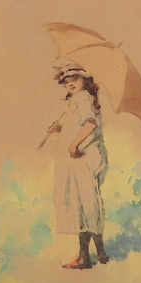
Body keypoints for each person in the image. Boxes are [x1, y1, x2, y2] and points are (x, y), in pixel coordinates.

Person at [43, 63, 109, 269]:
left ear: (85, 80)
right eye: (66, 82)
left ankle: (85, 257)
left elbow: (90, 123)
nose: (70, 84)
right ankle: (99, 253)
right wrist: (58, 128)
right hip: (85, 157)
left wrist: (74, 144)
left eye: (74, 79)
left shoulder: (82, 98)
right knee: (87, 203)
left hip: (83, 156)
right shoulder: (77, 99)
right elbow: (77, 123)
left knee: (83, 204)